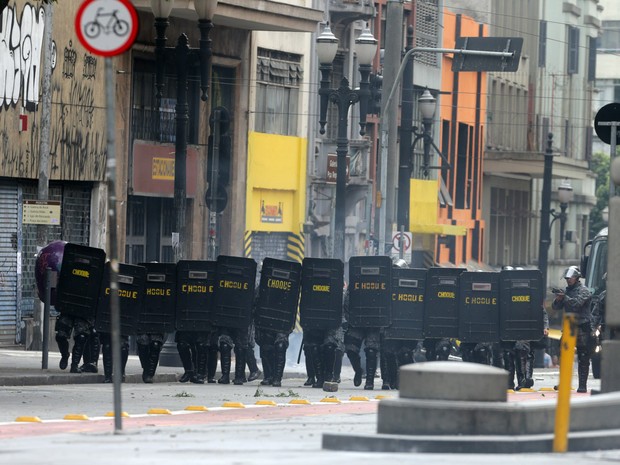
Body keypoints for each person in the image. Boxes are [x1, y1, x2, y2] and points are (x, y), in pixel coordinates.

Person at [551, 265, 592, 393]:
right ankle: (564, 382)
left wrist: (564, 297)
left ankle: (582, 385)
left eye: (571, 278)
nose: (568, 280)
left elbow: (576, 304)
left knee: (583, 356)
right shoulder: (567, 291)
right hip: (570, 327)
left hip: (582, 327)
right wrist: (558, 299)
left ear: (577, 278)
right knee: (563, 354)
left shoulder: (584, 290)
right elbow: (555, 307)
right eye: (567, 278)